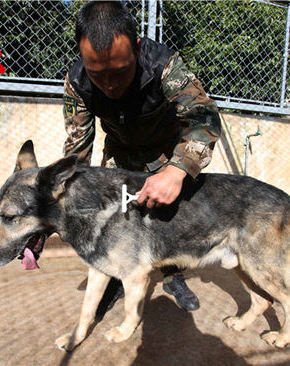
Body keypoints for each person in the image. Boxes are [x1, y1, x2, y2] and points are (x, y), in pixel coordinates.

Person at [62, 0, 221, 312]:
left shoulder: (165, 67)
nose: (108, 85)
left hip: (167, 152)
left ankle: (175, 276)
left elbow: (205, 118)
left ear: (135, 48)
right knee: (116, 219)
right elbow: (77, 149)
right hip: (120, 157)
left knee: (170, 218)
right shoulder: (77, 82)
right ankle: (117, 279)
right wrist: (69, 200)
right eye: (97, 74)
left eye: (119, 72)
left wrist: (177, 171)